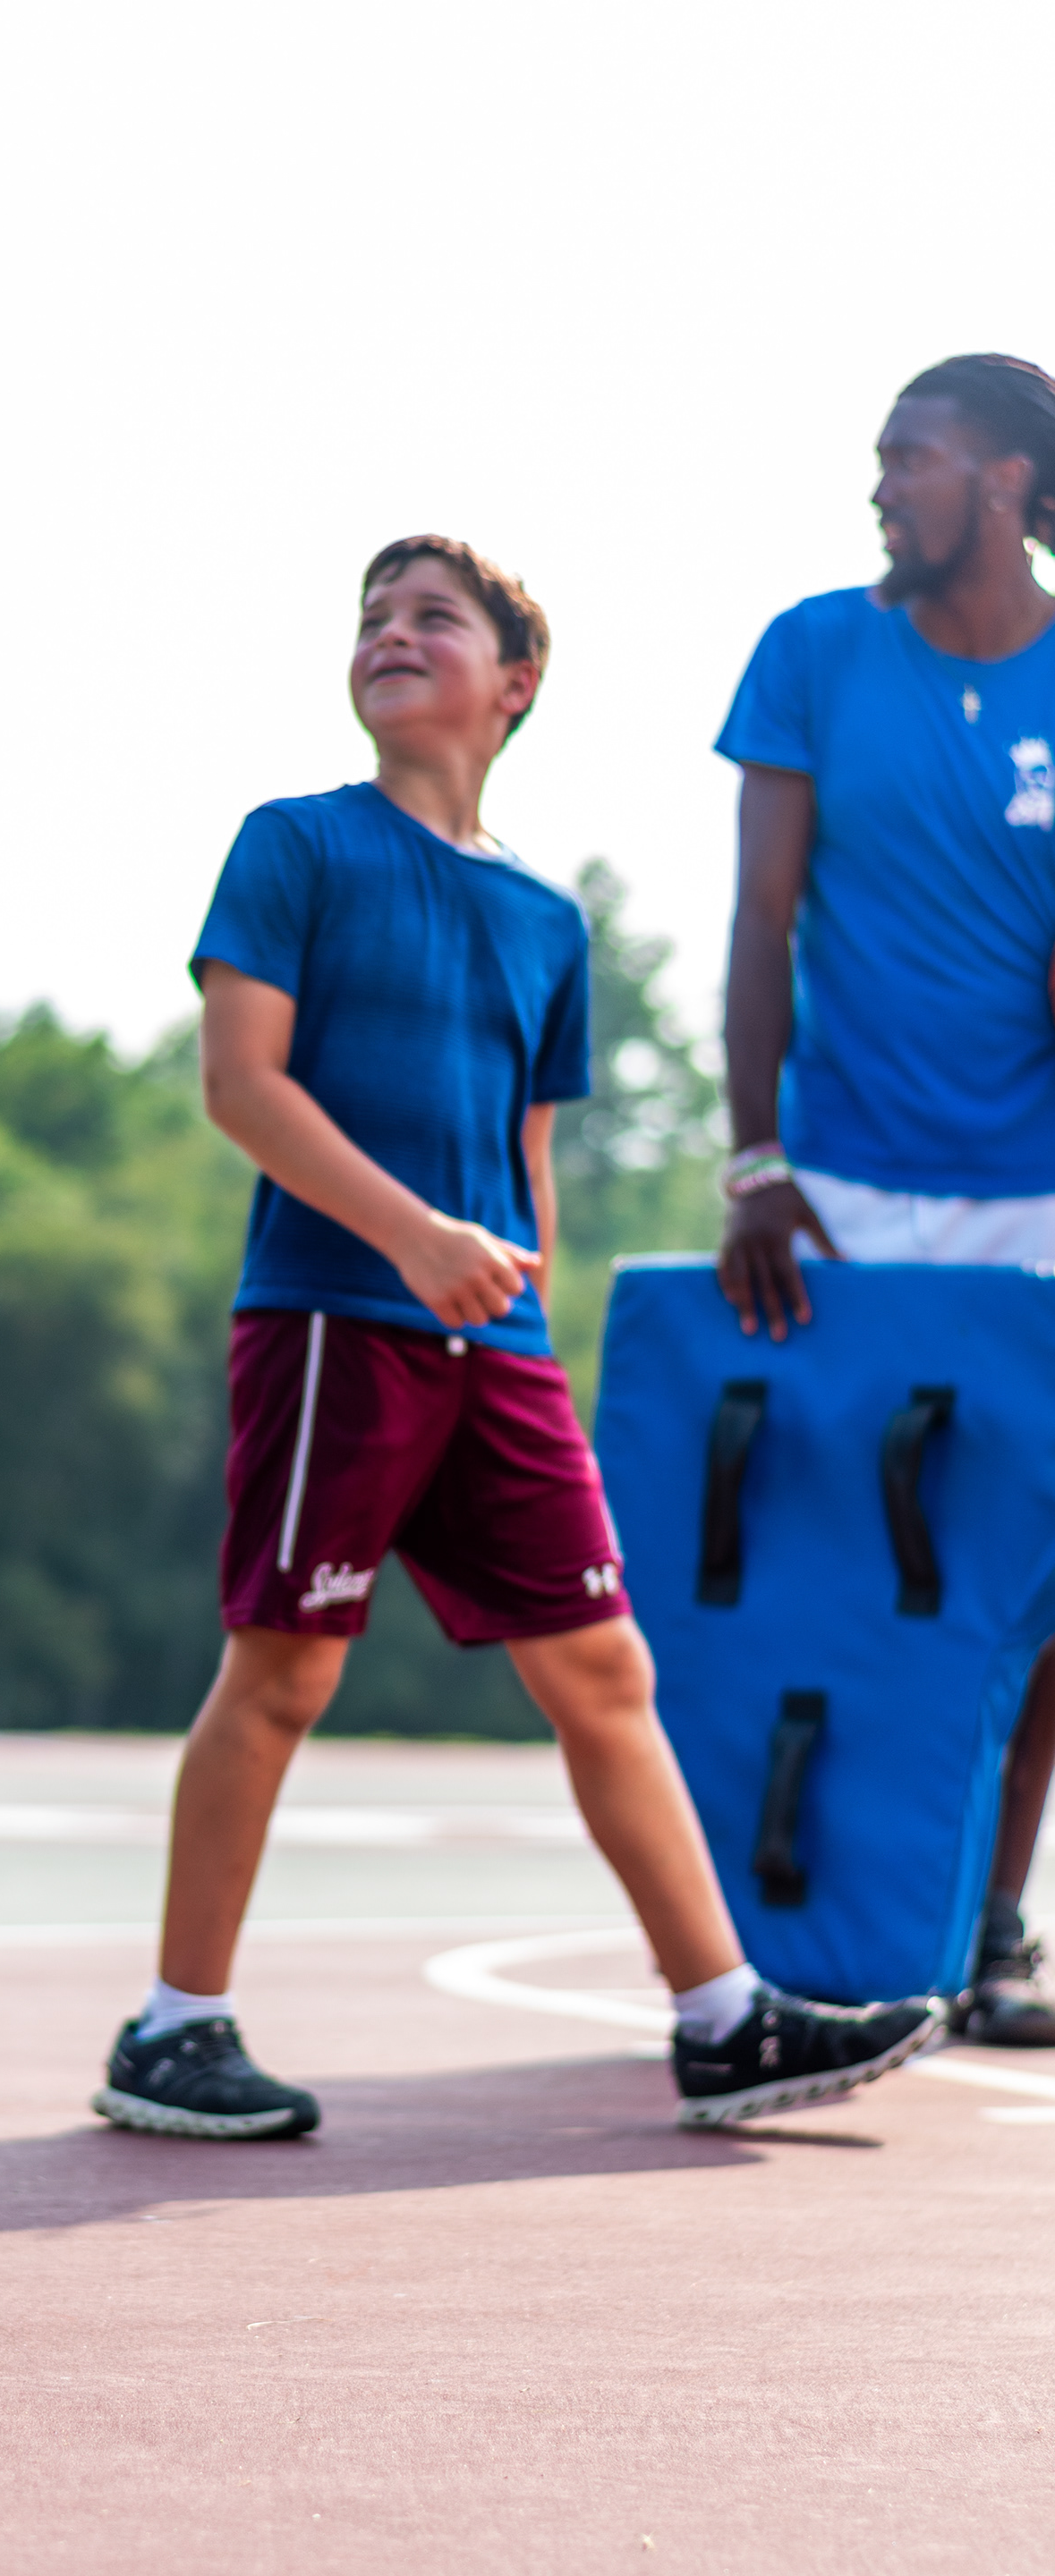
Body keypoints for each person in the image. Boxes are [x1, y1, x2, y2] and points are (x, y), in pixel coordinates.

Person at [91, 534, 940, 2140]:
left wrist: (522, 1316)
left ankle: (724, 2020)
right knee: (284, 1669)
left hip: (499, 1353)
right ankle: (173, 2031)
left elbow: (529, 1157)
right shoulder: (294, 844)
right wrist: (414, 1239)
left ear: (515, 682)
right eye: (372, 617)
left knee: (607, 1668)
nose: (391, 635)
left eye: (434, 617)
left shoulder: (550, 921)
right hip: (337, 1322)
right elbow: (239, 1086)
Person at [718, 353, 1055, 2047]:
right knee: (838, 1564)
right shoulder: (813, 651)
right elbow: (760, 918)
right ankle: (812, 1923)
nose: (880, 485)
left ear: (1005, 482)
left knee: (1030, 1585)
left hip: (1034, 1200)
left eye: (911, 457)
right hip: (836, 1189)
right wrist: (754, 1161)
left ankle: (993, 1928)